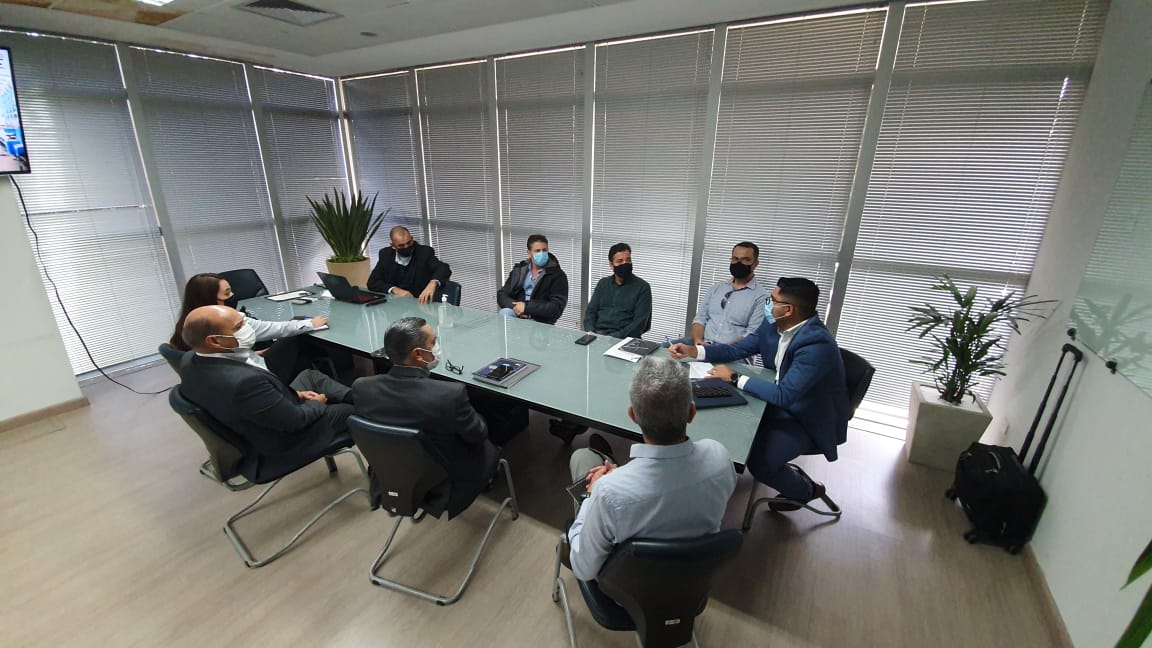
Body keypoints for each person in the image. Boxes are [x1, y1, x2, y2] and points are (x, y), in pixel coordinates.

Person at [668, 277, 848, 509]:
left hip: (807, 418)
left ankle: (807, 490)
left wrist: (734, 377)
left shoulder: (817, 345)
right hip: (776, 401)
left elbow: (784, 395)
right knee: (723, 419)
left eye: (772, 300)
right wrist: (695, 351)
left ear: (788, 309)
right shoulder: (773, 325)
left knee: (761, 462)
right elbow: (737, 349)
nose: (767, 304)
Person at [565, 356, 736, 582]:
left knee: (582, 458)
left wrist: (592, 494)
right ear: (692, 413)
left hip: (624, 588)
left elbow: (583, 569)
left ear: (632, 415)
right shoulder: (720, 457)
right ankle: (611, 462)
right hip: (693, 581)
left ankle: (604, 462)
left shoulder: (607, 492)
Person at [351, 317, 499, 518]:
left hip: (391, 476)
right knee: (488, 439)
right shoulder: (450, 394)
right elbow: (478, 435)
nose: (437, 347)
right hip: (444, 487)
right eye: (434, 342)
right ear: (418, 354)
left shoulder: (362, 388)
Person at [178, 305, 353, 457]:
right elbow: (295, 421)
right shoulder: (245, 383)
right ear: (214, 341)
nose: (247, 328)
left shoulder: (190, 360)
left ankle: (355, 395)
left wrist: (297, 394)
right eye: (239, 327)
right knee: (353, 411)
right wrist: (316, 403)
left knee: (309, 376)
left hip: (264, 414)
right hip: (285, 439)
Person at [169, 273, 328, 383]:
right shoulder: (225, 322)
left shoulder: (189, 322)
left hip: (237, 365)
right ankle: (310, 381)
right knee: (296, 338)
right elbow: (275, 329)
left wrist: (247, 353)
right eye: (227, 294)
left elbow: (217, 354)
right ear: (210, 298)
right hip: (254, 373)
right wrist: (310, 324)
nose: (232, 295)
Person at [668, 241, 766, 347]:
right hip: (703, 344)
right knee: (664, 348)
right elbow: (700, 319)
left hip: (731, 350)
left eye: (745, 260)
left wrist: (717, 351)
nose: (739, 263)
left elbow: (752, 334)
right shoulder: (717, 288)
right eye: (735, 259)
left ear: (756, 263)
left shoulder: (762, 297)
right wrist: (698, 341)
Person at [366, 226, 452, 304]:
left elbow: (443, 268)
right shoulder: (386, 254)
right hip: (395, 305)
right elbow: (373, 282)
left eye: (409, 243)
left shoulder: (424, 252)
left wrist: (433, 283)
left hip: (419, 303)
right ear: (393, 246)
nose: (406, 247)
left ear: (412, 239)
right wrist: (394, 289)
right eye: (401, 246)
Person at [583, 242, 652, 339]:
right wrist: (591, 332)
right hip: (598, 336)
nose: (625, 264)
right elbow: (590, 312)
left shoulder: (642, 287)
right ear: (611, 265)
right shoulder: (603, 284)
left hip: (625, 339)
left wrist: (612, 338)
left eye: (628, 260)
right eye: (620, 261)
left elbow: (639, 324)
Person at [497, 234, 569, 325]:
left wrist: (527, 308)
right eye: (537, 251)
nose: (541, 253)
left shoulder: (558, 275)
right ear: (529, 253)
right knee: (504, 313)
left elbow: (556, 308)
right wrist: (517, 308)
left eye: (544, 250)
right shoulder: (519, 270)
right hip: (517, 315)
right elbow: (502, 294)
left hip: (540, 320)